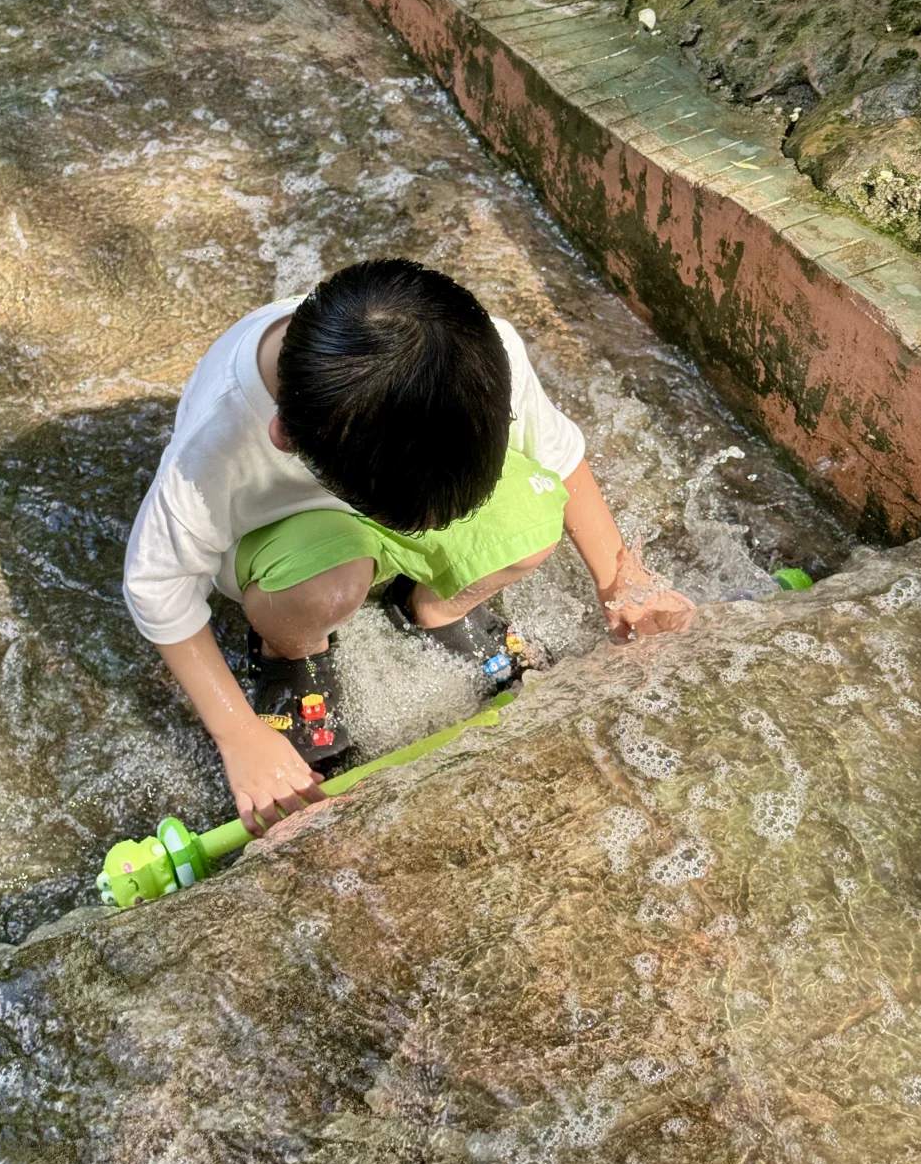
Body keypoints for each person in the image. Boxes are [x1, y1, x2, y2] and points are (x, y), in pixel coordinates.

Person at [124, 259, 694, 837]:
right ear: (285, 439)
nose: (420, 535)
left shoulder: (480, 356)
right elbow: (156, 586)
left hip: (391, 470)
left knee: (532, 518)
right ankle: (290, 648)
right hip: (289, 538)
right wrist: (239, 733)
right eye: (408, 524)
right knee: (332, 585)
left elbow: (558, 457)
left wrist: (621, 578)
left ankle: (436, 607)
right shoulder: (218, 444)